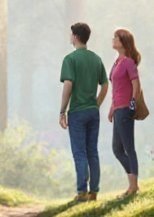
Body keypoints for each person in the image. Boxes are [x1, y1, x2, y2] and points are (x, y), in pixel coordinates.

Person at [59, 22, 108, 202]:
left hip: (77, 112)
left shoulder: (70, 59)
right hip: (93, 112)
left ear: (75, 37)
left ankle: (82, 192)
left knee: (80, 153)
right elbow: (105, 85)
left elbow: (68, 85)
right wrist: (96, 104)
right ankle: (94, 192)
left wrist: (62, 111)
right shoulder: (96, 59)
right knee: (92, 152)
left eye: (71, 34)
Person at [108, 28, 142, 197]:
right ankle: (132, 184)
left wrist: (132, 104)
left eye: (116, 37)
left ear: (123, 42)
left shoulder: (128, 62)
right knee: (117, 149)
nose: (113, 40)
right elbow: (116, 89)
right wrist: (111, 108)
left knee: (129, 148)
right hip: (117, 109)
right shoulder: (117, 62)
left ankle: (133, 187)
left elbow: (136, 85)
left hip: (125, 109)